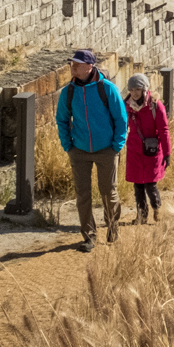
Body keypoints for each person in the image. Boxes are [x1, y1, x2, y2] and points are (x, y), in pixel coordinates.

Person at [56, 49, 128, 252]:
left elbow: (121, 119)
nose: (73, 68)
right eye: (72, 64)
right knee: (82, 195)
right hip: (79, 150)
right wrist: (67, 145)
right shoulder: (68, 92)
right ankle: (89, 237)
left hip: (107, 149)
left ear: (89, 66)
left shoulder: (107, 89)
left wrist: (116, 145)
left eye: (77, 64)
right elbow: (62, 119)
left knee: (109, 192)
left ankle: (113, 228)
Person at [124, 73, 171, 225]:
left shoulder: (155, 106)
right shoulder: (126, 105)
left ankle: (157, 209)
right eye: (131, 89)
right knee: (137, 185)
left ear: (145, 89)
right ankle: (141, 216)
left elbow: (164, 130)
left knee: (150, 184)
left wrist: (167, 152)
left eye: (137, 88)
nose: (134, 92)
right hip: (134, 150)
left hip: (152, 150)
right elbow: (121, 126)